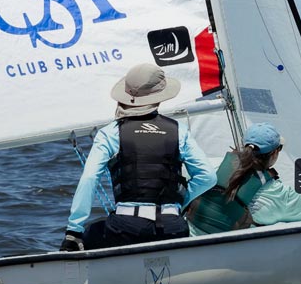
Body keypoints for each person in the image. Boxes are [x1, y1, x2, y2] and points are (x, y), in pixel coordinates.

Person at [62, 64, 217, 251]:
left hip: (126, 229)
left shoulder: (110, 133)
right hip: (172, 227)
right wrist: (177, 203)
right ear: (159, 99)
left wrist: (74, 230)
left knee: (90, 233)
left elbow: (89, 179)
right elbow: (207, 177)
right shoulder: (178, 131)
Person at [187, 122, 301, 234]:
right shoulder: (276, 192)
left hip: (192, 237)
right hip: (226, 253)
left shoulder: (215, 167)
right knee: (279, 221)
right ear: (274, 153)